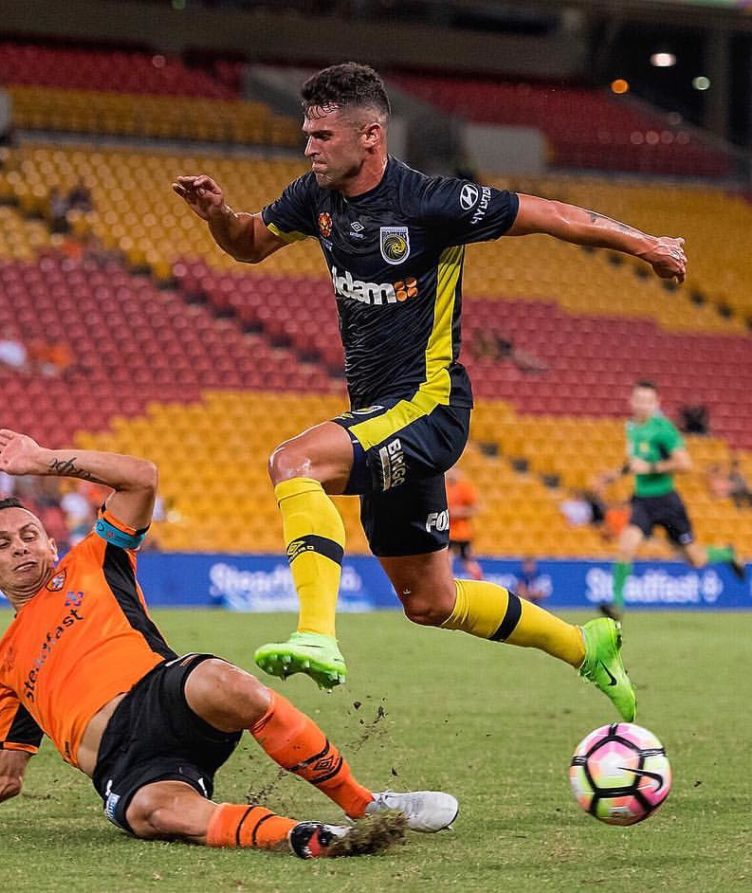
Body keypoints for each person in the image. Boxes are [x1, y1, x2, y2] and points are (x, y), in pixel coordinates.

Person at [173, 62, 689, 720]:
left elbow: (552, 213)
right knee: (430, 601)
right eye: (307, 133)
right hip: (380, 414)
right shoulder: (314, 197)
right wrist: (219, 216)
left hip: (430, 404)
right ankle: (585, 643)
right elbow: (248, 243)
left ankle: (316, 632)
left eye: (322, 135)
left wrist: (646, 244)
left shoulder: (433, 203)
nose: (309, 147)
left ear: (370, 135)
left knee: (293, 461)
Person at [0, 429, 458, 859]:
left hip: (163, 695)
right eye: (2, 545)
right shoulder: (2, 668)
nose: (20, 547)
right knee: (158, 816)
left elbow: (140, 478)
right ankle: (307, 837)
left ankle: (365, 803)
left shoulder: (93, 558)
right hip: (126, 766)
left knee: (228, 682)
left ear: (50, 546)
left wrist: (44, 458)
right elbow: (0, 777)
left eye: (29, 536)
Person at [601, 380, 745, 621]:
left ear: (657, 403)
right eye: (638, 399)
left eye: (648, 401)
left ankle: (727, 553)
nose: (642, 405)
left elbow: (685, 464)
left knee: (696, 559)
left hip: (667, 502)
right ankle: (617, 607)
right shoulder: (631, 427)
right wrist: (614, 475)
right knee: (626, 547)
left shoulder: (664, 430)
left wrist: (651, 467)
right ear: (631, 401)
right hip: (642, 501)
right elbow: (635, 463)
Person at [445, 464, 482, 581]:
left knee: (468, 561)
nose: (451, 474)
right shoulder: (442, 488)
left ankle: (480, 582)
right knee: (446, 561)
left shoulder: (464, 488)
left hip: (462, 534)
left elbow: (475, 508)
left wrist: (457, 512)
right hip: (447, 532)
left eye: (454, 471)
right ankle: (445, 584)